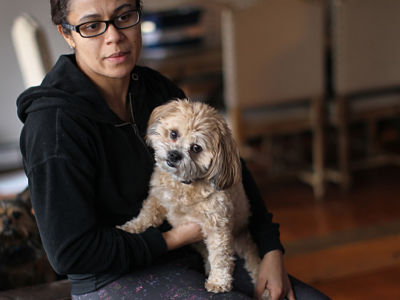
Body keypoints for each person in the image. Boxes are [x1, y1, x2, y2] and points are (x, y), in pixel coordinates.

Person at [17, 0, 330, 299]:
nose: (114, 36)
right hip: (112, 277)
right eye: (92, 25)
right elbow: (70, 254)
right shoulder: (53, 127)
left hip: (191, 252)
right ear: (66, 33)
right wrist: (177, 237)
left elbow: (228, 165)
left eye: (125, 16)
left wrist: (270, 248)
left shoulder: (156, 90)